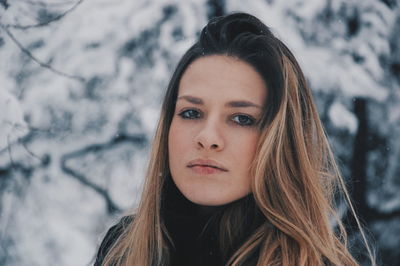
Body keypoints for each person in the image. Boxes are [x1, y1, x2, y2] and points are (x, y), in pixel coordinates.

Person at [94, 12, 375, 266]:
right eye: (191, 113)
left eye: (242, 118)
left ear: (280, 140)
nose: (208, 138)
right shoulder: (124, 250)